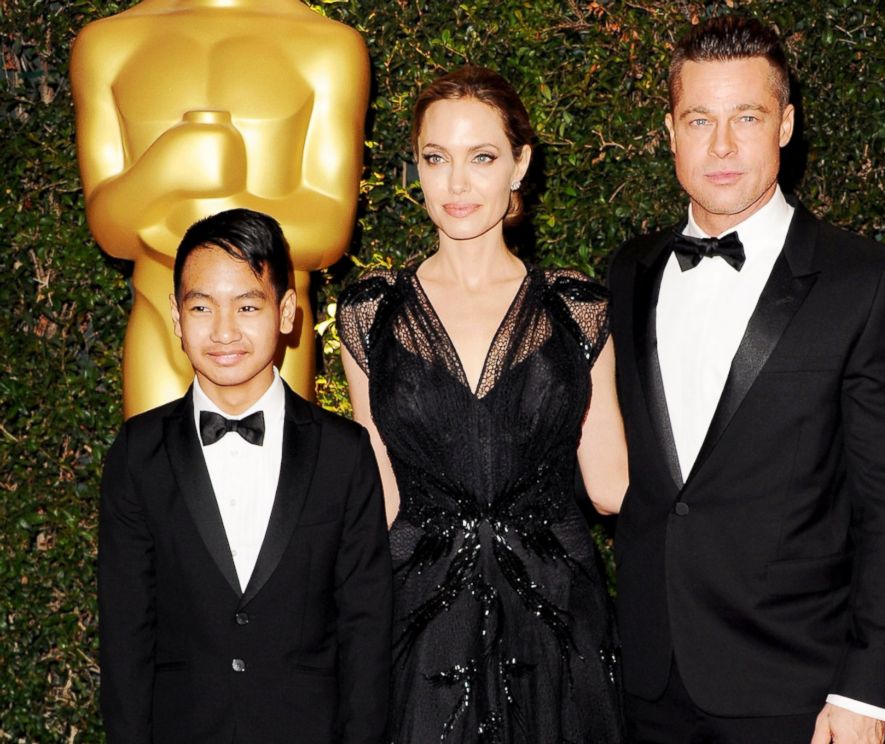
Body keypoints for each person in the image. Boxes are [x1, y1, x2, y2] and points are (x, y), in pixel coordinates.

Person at [608, 15, 885, 744]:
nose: (721, 146)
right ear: (670, 131)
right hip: (648, 685)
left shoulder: (864, 282)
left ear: (785, 124)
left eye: (746, 117)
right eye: (699, 119)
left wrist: (868, 692)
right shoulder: (629, 273)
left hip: (802, 693)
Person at [336, 65, 628, 743]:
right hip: (417, 622)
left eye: (482, 158)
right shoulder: (371, 311)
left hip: (558, 624)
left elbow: (613, 485)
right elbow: (376, 491)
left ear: (520, 165)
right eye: (436, 159)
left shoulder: (576, 309)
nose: (457, 184)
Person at [98, 208, 392, 744]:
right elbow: (124, 635)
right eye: (202, 306)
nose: (225, 330)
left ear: (285, 312)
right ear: (175, 314)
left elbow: (366, 631)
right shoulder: (138, 455)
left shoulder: (344, 454)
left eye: (248, 305)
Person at [70, 0, 369, 417]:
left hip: (272, 334)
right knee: (153, 476)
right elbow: (108, 229)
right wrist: (164, 168)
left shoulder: (328, 47)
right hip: (159, 322)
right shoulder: (108, 44)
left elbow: (330, 230)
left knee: (282, 479)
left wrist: (217, 212)